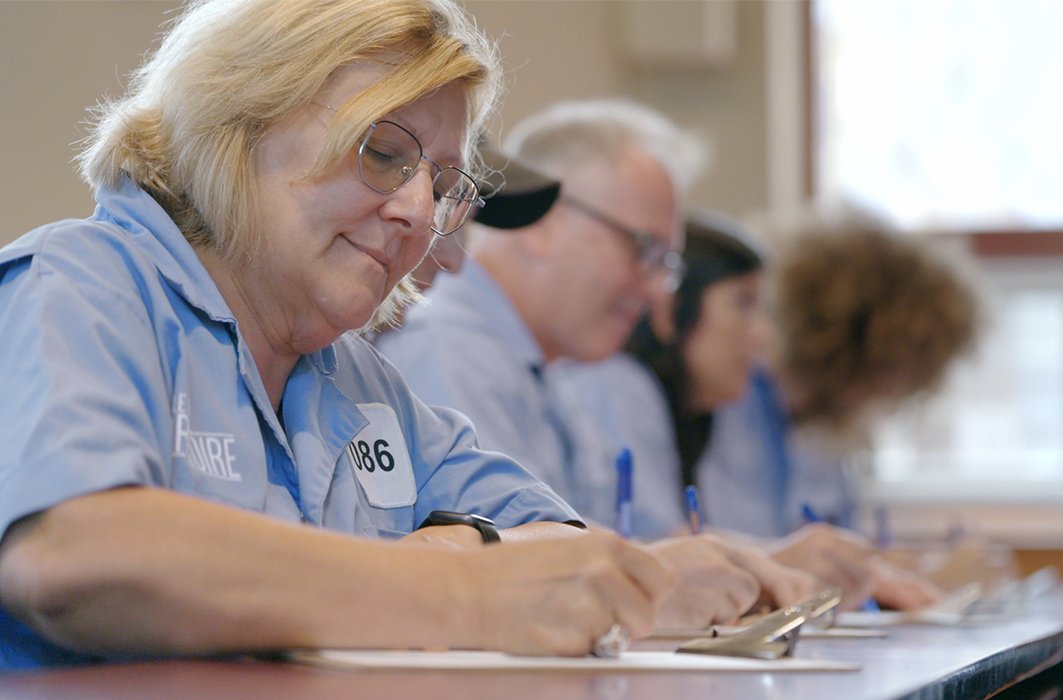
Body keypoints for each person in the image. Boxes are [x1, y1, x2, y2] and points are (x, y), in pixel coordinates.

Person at [0, 0, 681, 669]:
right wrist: (454, 592)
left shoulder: (351, 374)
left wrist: (462, 545)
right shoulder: (80, 285)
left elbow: (563, 546)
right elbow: (71, 552)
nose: (419, 213)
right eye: (383, 152)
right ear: (237, 126)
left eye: (442, 186)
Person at [377, 99, 819, 626]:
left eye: (667, 265)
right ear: (543, 221)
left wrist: (755, 563)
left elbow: (607, 538)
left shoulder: (555, 370)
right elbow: (528, 572)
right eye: (643, 249)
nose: (658, 291)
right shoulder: (449, 349)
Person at [608, 210, 981, 609]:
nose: (763, 335)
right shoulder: (634, 389)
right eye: (744, 303)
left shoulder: (758, 412)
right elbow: (662, 547)